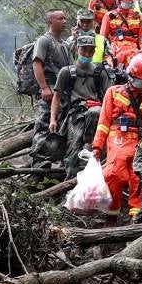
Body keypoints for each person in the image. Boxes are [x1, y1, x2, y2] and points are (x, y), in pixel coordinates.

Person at [90, 54, 142, 226]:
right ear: (131, 76)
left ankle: (135, 217)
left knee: (137, 176)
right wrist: (97, 147)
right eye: (141, 80)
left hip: (139, 139)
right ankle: (111, 214)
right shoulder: (113, 92)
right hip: (118, 137)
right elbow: (104, 122)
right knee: (114, 173)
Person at [49, 35, 114, 178]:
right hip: (75, 114)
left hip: (97, 116)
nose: (87, 54)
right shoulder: (67, 72)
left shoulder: (100, 72)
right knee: (73, 152)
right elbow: (57, 96)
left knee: (96, 113)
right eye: (84, 50)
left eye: (91, 51)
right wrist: (53, 119)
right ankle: (69, 184)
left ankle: (89, 145)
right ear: (78, 49)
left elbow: (110, 96)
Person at [29, 9, 73, 166]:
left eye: (65, 18)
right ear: (50, 22)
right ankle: (37, 162)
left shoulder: (63, 44)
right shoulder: (44, 40)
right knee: (43, 125)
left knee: (60, 126)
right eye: (60, 18)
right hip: (49, 91)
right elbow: (37, 64)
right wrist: (44, 87)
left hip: (63, 94)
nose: (64, 21)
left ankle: (53, 160)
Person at [99, 0, 142, 70]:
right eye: (125, 0)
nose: (128, 3)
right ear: (118, 0)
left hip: (135, 51)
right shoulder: (109, 16)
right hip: (117, 51)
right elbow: (102, 39)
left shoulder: (137, 16)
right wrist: (106, 57)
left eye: (130, 1)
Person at [88, 0, 119, 65]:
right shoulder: (94, 2)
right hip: (98, 36)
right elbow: (89, 22)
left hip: (115, 36)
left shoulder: (119, 2)